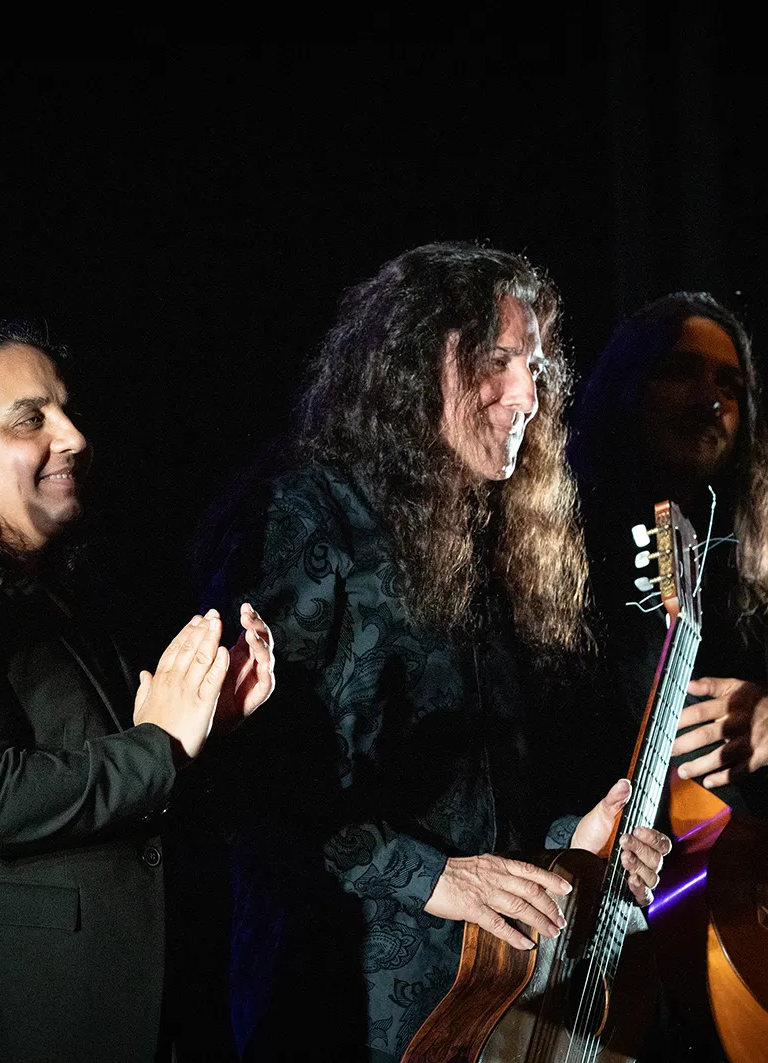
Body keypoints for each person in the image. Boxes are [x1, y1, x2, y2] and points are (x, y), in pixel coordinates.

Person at [203, 243, 671, 1062]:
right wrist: (433, 876)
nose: (529, 393)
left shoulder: (493, 539)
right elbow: (248, 784)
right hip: (337, 996)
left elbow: (484, 818)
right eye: (498, 361)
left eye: (535, 365)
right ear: (416, 364)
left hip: (491, 1005)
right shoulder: (307, 513)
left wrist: (575, 842)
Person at [0, 323, 275, 1062]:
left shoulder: (69, 585)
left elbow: (125, 774)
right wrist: (161, 746)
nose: (73, 436)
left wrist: (208, 722)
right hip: (8, 1021)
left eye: (67, 410)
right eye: (30, 418)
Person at [568, 291, 768, 1057]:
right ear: (628, 389)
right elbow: (681, 749)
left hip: (752, 913)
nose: (711, 399)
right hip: (635, 930)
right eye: (681, 372)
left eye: (730, 385)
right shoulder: (583, 546)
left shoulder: (747, 568)